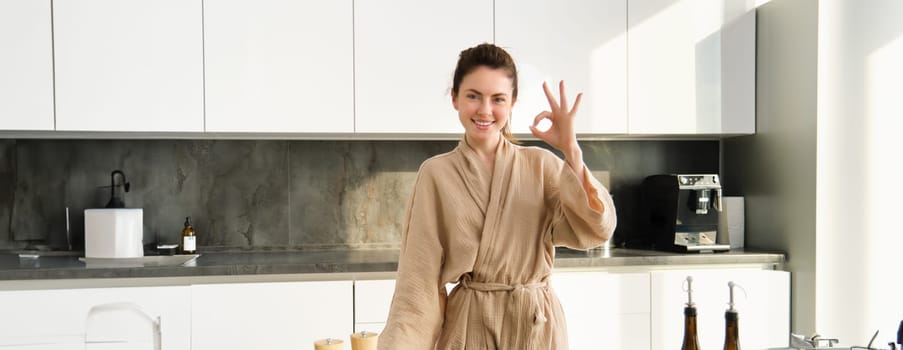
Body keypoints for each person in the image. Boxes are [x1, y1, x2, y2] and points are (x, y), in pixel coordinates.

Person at [379, 43, 617, 350]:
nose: (485, 110)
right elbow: (419, 285)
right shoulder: (436, 174)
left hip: (537, 330)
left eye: (498, 99)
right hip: (471, 330)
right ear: (454, 98)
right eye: (473, 96)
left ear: (513, 102)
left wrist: (571, 149)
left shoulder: (541, 165)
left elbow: (596, 229)